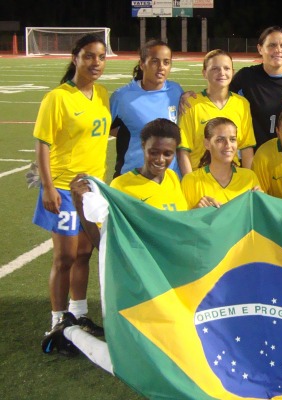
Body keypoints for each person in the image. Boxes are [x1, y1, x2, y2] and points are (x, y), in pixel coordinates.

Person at [42, 118, 188, 363]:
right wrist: (80, 206)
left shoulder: (174, 180)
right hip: (139, 282)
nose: (160, 159)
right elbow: (103, 243)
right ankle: (68, 330)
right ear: (142, 146)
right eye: (154, 152)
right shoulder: (122, 186)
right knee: (134, 357)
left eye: (167, 153)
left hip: (168, 278)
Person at [33, 34, 110, 343]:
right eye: (89, 56)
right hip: (64, 188)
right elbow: (42, 145)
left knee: (84, 254)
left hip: (92, 190)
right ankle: (57, 320)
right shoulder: (58, 97)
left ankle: (78, 314)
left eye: (101, 57)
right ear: (75, 57)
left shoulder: (102, 94)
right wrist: (48, 187)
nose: (96, 62)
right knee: (64, 257)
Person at [230, 26, 282, 148]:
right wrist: (193, 96)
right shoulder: (246, 77)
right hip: (255, 156)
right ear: (260, 49)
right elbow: (221, 100)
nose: (278, 50)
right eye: (272, 45)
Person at [110, 39, 185, 178]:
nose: (161, 67)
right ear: (142, 64)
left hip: (170, 180)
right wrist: (132, 133)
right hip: (133, 178)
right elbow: (105, 127)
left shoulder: (176, 91)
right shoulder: (123, 97)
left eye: (166, 62)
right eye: (155, 61)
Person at [178, 50, 255, 174]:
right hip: (200, 177)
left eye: (226, 68)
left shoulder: (242, 104)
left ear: (233, 72)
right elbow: (183, 150)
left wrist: (247, 179)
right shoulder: (192, 104)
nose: (222, 73)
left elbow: (246, 147)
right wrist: (189, 182)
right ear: (204, 73)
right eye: (215, 69)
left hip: (232, 177)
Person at [181, 117, 260, 209]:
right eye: (220, 140)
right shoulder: (190, 180)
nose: (228, 145)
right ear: (207, 144)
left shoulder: (249, 177)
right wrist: (196, 210)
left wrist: (261, 202)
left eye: (232, 139)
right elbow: (182, 220)